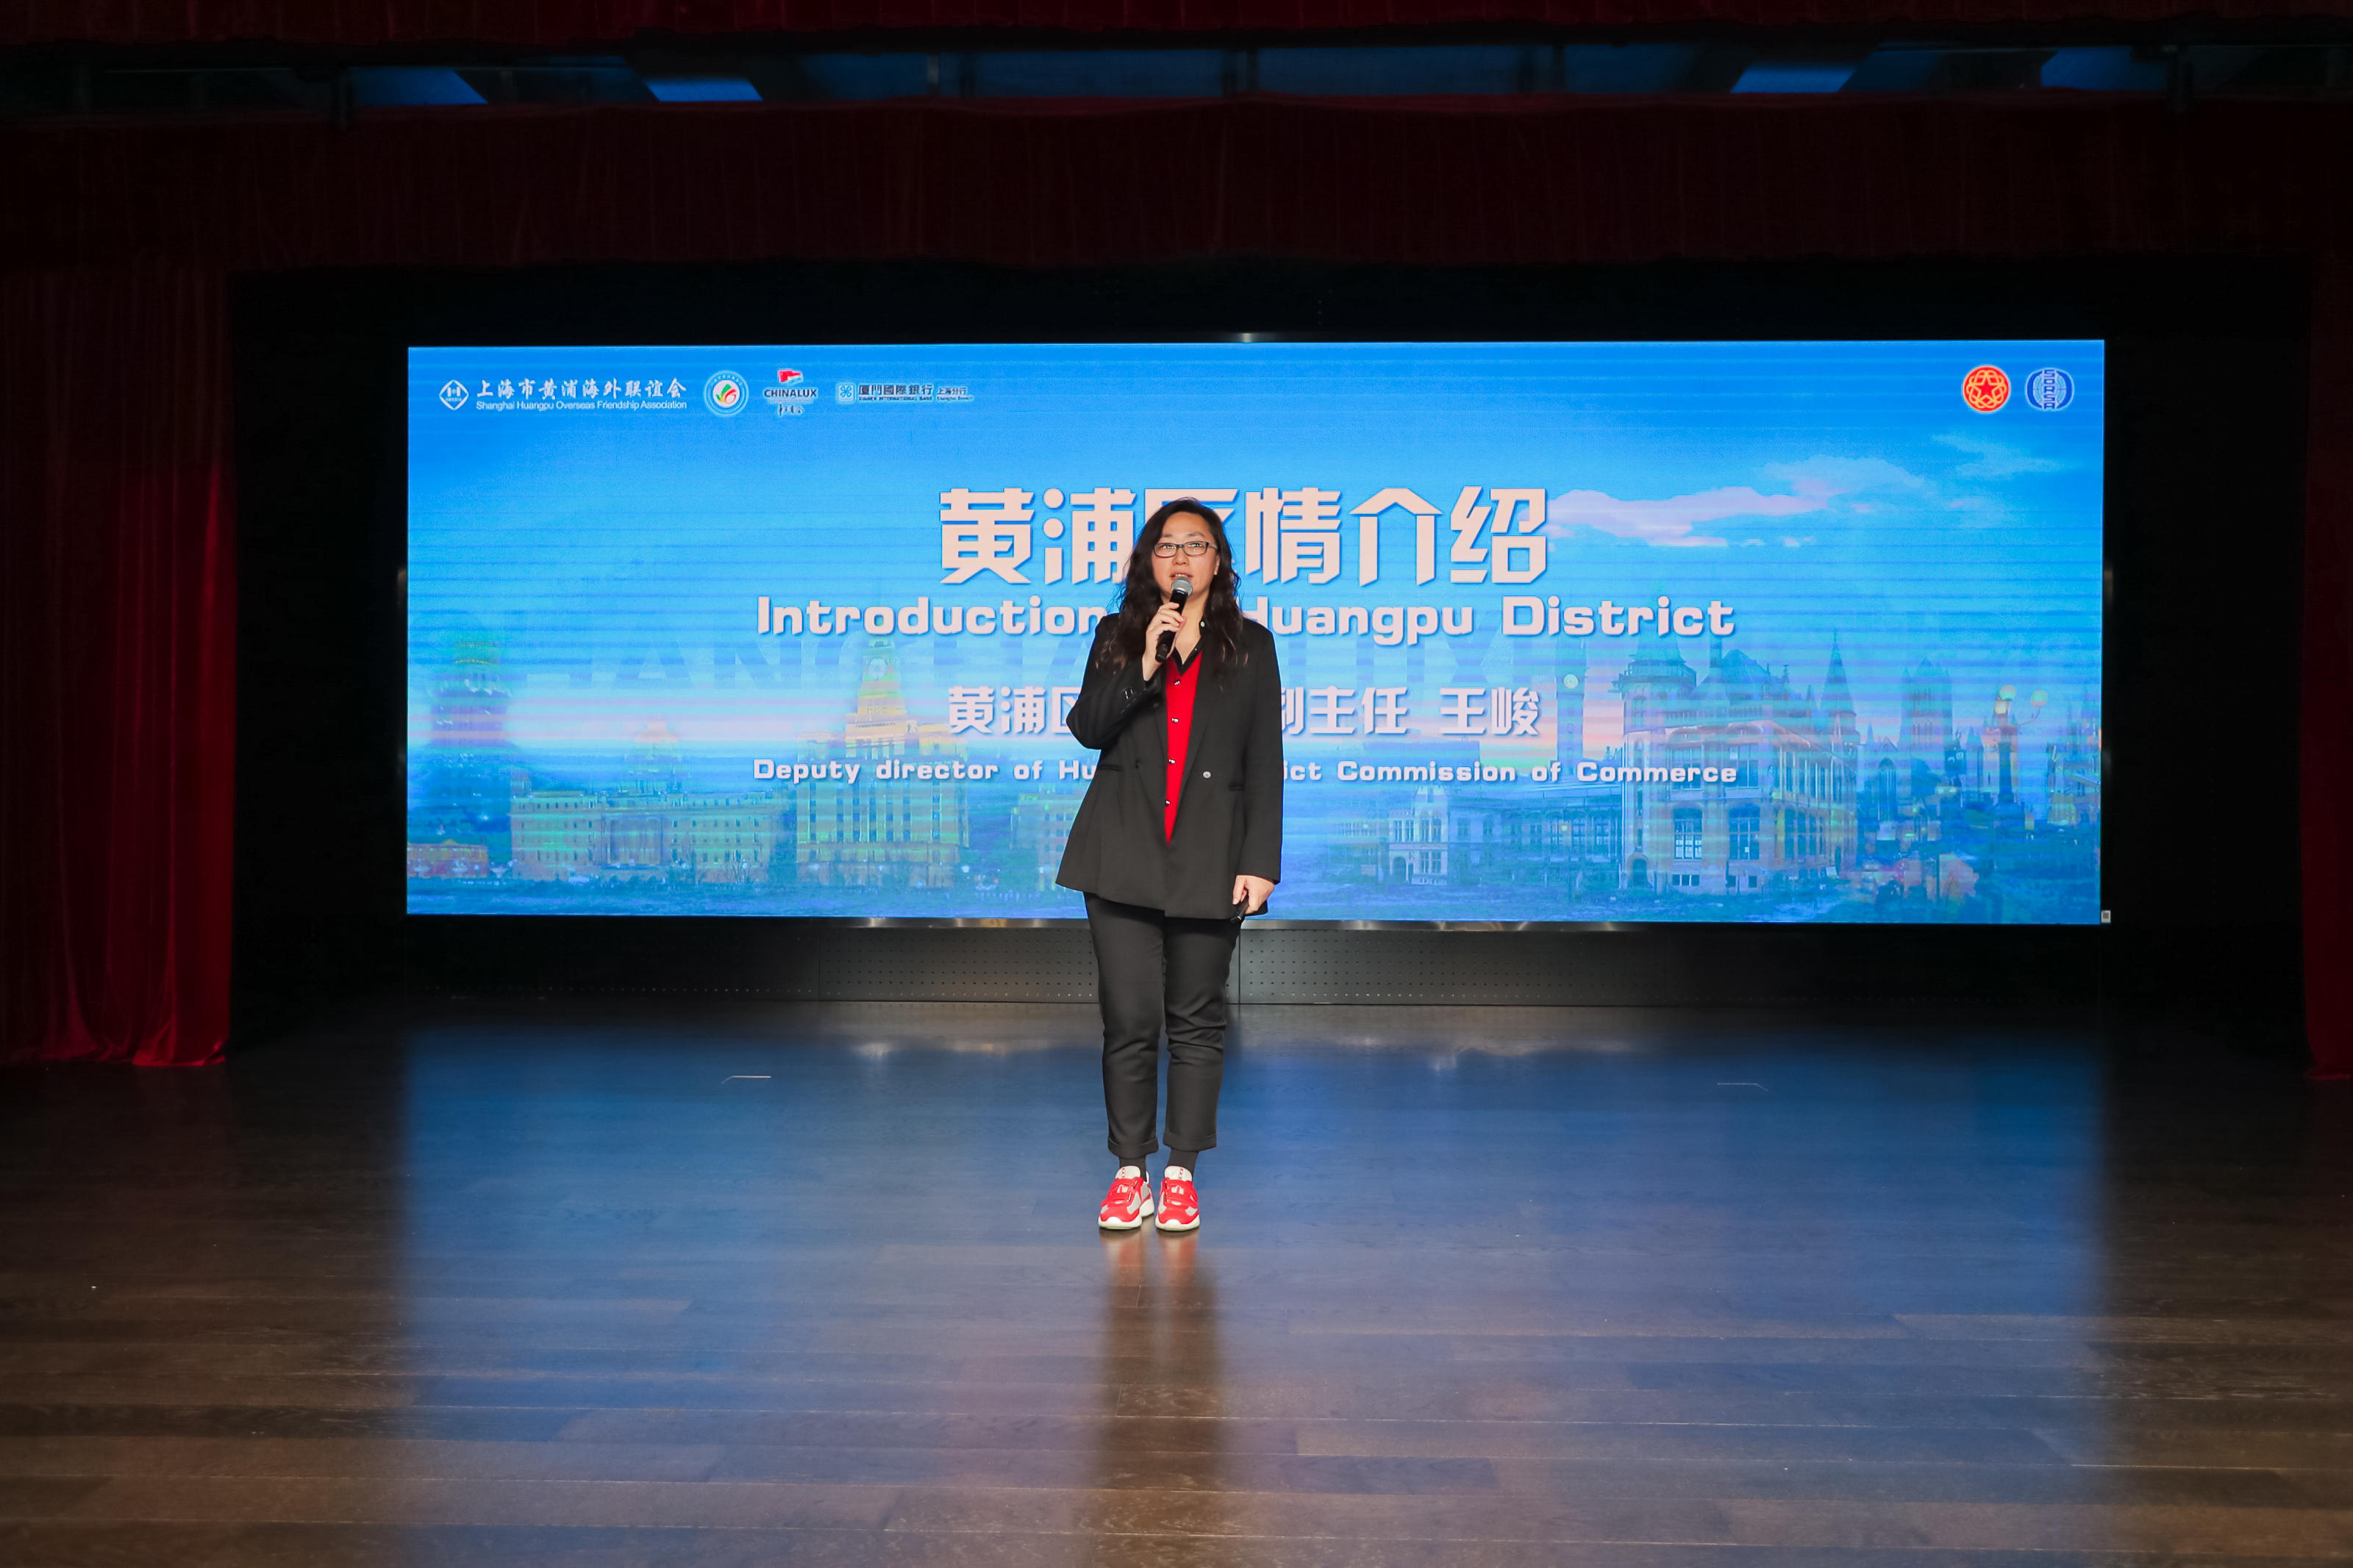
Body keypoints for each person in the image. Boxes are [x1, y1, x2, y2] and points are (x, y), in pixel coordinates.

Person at [1057, 498, 1282, 1234]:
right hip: (1120, 853)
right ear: (1146, 562)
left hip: (1209, 858)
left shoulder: (1250, 646)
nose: (1180, 557)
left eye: (1196, 544)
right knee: (1128, 1019)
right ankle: (1131, 1172)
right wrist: (1146, 662)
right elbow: (1088, 727)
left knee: (1196, 1020)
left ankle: (1180, 1171)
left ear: (1218, 562)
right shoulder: (1118, 636)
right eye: (1166, 545)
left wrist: (1260, 861)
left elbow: (1265, 759)